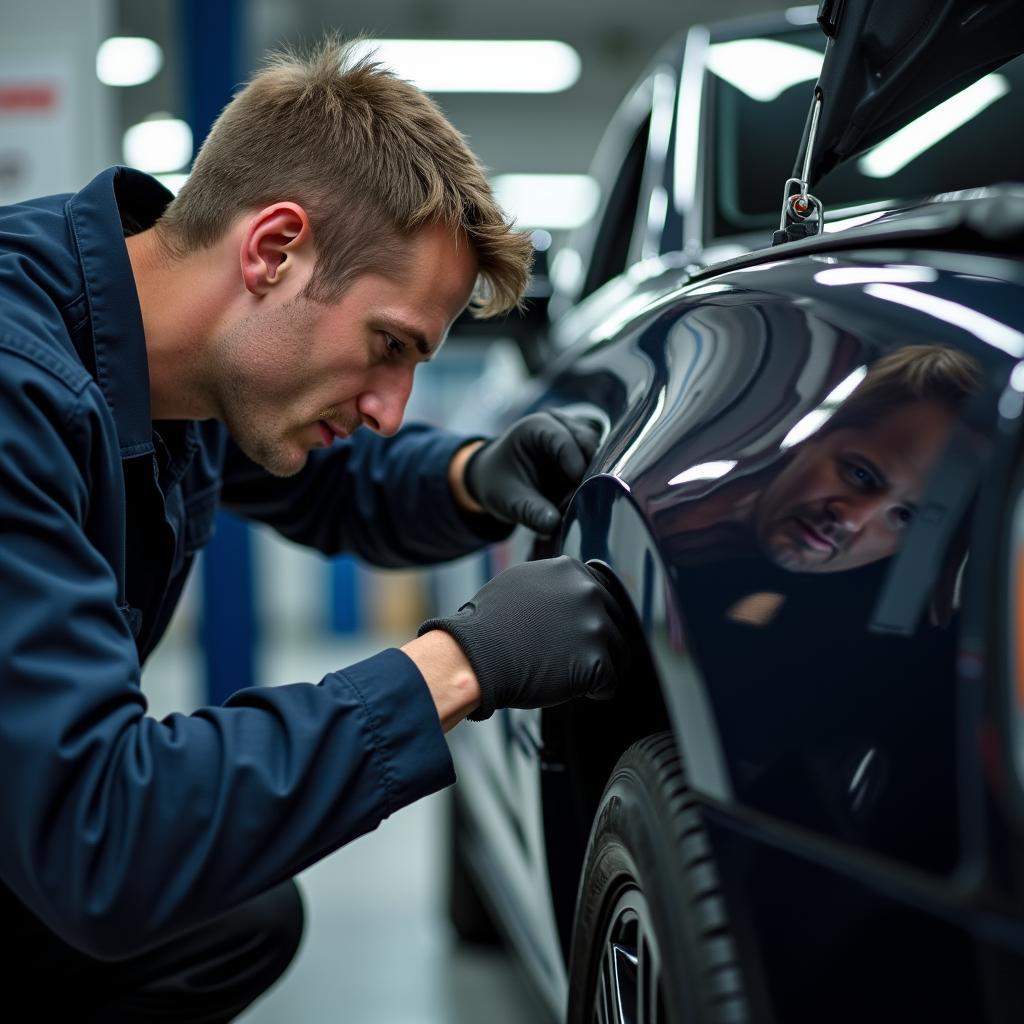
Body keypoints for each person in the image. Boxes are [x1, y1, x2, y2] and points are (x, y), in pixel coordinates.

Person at [0, 39, 628, 1021]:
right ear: (273, 249)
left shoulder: (170, 354)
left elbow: (338, 482)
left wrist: (474, 476)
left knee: (234, 919)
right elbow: (100, 836)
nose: (390, 406)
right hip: (59, 827)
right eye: (388, 346)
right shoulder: (16, 389)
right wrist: (455, 666)